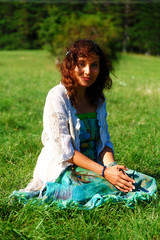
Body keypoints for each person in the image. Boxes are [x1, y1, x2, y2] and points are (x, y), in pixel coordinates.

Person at [11, 40, 157, 209]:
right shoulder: (57, 96)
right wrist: (104, 172)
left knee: (143, 182)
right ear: (70, 65)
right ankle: (53, 191)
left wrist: (112, 167)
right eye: (81, 64)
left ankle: (99, 186)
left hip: (94, 168)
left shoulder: (99, 99)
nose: (88, 71)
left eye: (94, 65)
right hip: (63, 169)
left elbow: (104, 143)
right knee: (106, 186)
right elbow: (66, 153)